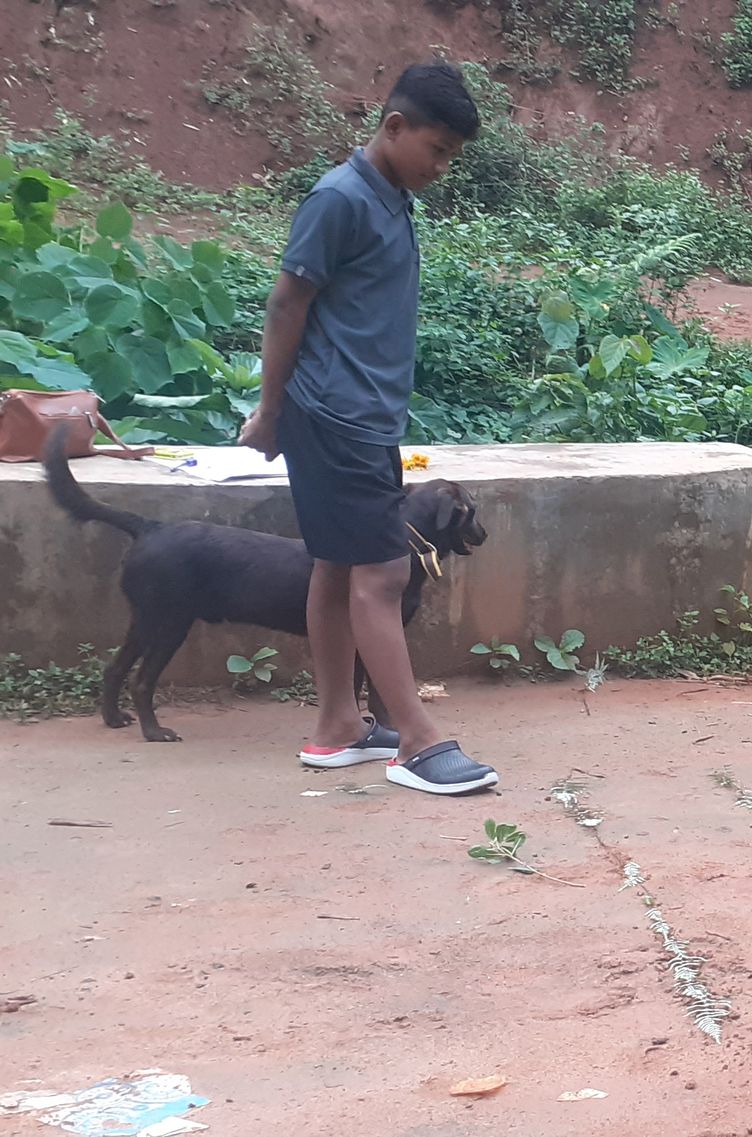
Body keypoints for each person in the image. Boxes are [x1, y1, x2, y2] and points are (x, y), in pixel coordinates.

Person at [236, 61, 496, 796]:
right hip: (334, 416)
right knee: (384, 572)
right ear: (394, 126)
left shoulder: (391, 198)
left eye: (452, 156)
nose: (442, 167)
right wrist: (271, 411)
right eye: (437, 149)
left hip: (363, 418)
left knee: (337, 566)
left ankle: (339, 726)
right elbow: (287, 303)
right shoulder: (339, 198)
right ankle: (417, 739)